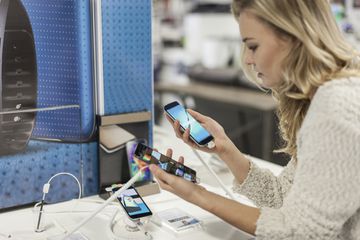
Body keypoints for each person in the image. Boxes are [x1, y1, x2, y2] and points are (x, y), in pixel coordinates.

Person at [149, 0, 360, 239]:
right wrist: (225, 149)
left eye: (253, 46)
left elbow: (300, 231)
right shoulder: (321, 99)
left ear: (293, 36)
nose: (248, 59)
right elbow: (282, 197)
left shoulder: (336, 109)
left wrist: (198, 195)